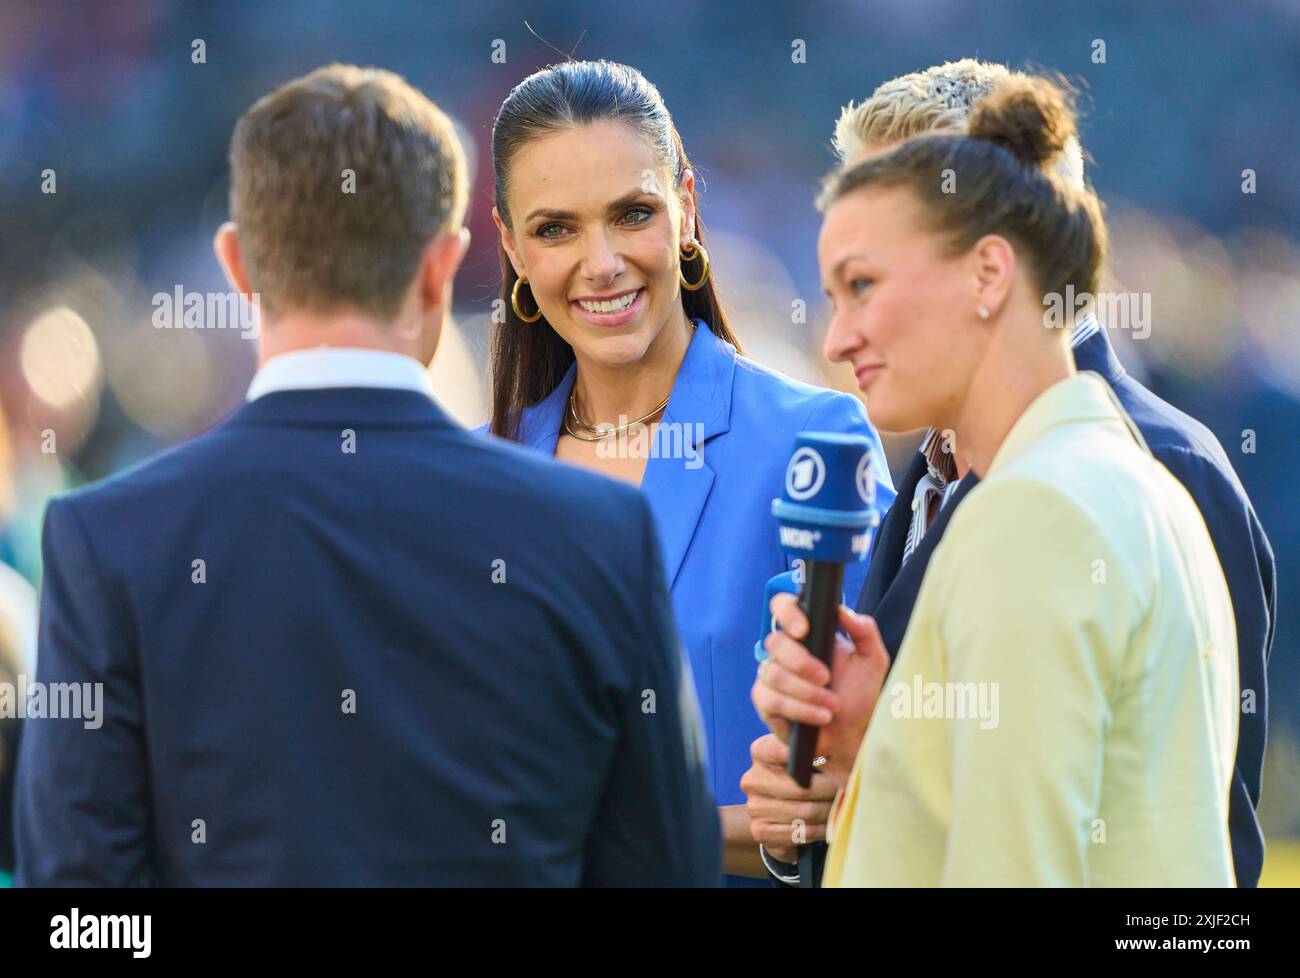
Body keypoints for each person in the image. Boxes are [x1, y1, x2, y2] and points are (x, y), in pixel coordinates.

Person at [14, 64, 720, 887]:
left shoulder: (109, 540)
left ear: (238, 268)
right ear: (442, 267)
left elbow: (79, 911)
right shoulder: (599, 529)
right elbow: (668, 870)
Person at [747, 59, 1274, 888]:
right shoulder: (1007, 472)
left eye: (866, 284)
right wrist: (843, 775)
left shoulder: (1061, 495)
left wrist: (876, 747)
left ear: (992, 269)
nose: (836, 338)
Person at [481, 60, 895, 880]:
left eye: (632, 214)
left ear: (687, 206)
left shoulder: (811, 444)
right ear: (510, 246)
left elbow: (863, 782)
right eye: (556, 229)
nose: (600, 264)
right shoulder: (477, 477)